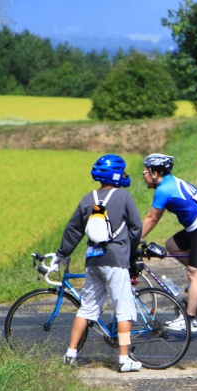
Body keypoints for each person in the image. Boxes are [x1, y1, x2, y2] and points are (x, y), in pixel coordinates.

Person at [56, 154, 143, 372]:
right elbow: (136, 227)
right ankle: (124, 359)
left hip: (92, 260)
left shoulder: (88, 198)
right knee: (124, 308)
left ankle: (70, 355)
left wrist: (62, 253)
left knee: (87, 308)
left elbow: (74, 229)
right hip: (115, 259)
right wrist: (130, 252)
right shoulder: (123, 197)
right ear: (116, 175)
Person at [140, 153, 197, 333]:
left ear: (155, 173)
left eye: (145, 171)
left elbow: (151, 219)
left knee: (194, 274)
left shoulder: (163, 189)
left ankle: (190, 320)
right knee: (172, 246)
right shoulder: (171, 182)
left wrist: (133, 240)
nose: (143, 174)